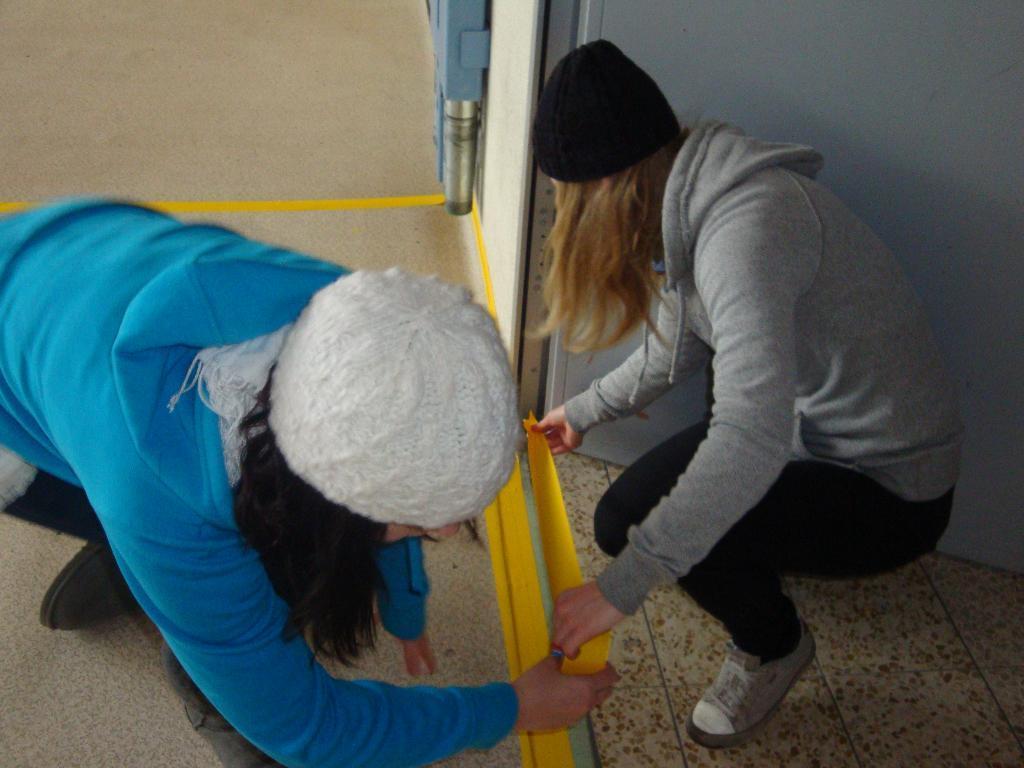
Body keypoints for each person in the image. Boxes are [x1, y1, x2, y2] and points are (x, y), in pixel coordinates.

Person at [0, 199, 619, 767]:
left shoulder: (367, 326)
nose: (449, 532)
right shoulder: (155, 502)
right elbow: (308, 729)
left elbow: (392, 464)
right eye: (423, 521)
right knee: (191, 581)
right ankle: (180, 640)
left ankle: (147, 576)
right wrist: (510, 708)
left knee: (191, 547)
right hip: (20, 398)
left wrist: (405, 607)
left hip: (73, 270)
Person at [529, 40, 962, 748]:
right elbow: (679, 344)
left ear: (605, 185)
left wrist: (619, 592)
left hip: (888, 484)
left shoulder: (745, 230)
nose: (565, 212)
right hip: (796, 430)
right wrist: (582, 412)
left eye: (566, 196)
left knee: (686, 532)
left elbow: (747, 440)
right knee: (620, 521)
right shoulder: (685, 194)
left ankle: (774, 645)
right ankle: (762, 553)